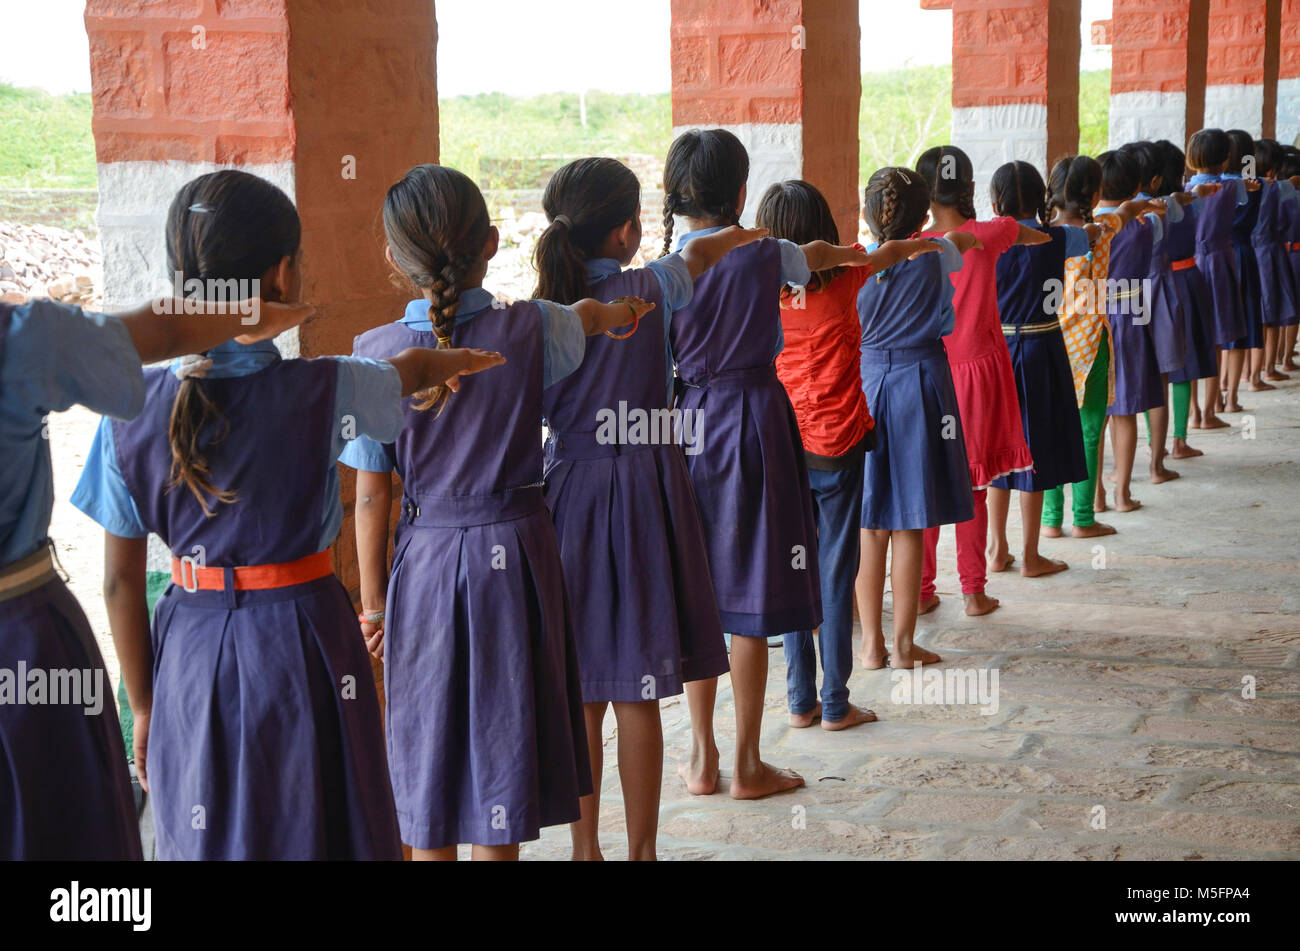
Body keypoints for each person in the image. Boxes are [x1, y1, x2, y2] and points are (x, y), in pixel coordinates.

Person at [71, 169, 504, 860]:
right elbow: (412, 368)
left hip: (190, 649)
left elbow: (120, 583)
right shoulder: (328, 385)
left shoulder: (128, 410)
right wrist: (459, 357)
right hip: (305, 640)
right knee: (320, 819)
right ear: (282, 277)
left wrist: (147, 705)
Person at [344, 164, 656, 859]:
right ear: (490, 242)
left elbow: (372, 494)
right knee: (498, 756)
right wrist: (624, 313)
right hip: (517, 555)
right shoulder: (530, 327)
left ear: (393, 259)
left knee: (427, 758)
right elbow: (591, 318)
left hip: (425, 563)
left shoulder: (372, 356)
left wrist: (372, 605)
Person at [531, 156, 759, 859]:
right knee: (636, 687)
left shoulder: (541, 312)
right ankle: (642, 852)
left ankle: (583, 849)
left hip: (568, 489)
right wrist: (745, 236)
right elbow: (701, 249)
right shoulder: (654, 286)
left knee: (581, 687)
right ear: (629, 231)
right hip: (643, 489)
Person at [660, 129, 880, 798]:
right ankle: (748, 764)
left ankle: (701, 759)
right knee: (752, 599)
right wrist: (861, 248)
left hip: (688, 425)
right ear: (739, 192)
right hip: (754, 420)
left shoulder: (662, 269)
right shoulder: (762, 253)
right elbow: (815, 255)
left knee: (702, 596)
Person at [757, 179, 938, 723]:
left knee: (794, 570)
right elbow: (886, 252)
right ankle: (836, 701)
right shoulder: (850, 278)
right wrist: (923, 244)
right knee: (835, 571)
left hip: (783, 447)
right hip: (840, 444)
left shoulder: (760, 299)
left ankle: (799, 701)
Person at [913, 145, 1050, 617]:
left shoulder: (912, 244)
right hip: (980, 371)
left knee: (927, 485)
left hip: (927, 374)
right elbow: (1033, 236)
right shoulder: (991, 234)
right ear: (970, 189)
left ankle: (923, 590)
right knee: (974, 482)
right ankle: (973, 591)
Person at [854, 166, 981, 669]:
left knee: (870, 521)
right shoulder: (934, 254)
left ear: (866, 216)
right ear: (924, 217)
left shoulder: (854, 265)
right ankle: (904, 646)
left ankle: (869, 647)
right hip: (922, 382)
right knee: (908, 521)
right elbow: (966, 239)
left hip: (865, 384)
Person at [985, 161, 1093, 578]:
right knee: (1036, 454)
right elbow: (1090, 235)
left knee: (1000, 453)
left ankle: (997, 549)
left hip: (998, 350)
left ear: (996, 203)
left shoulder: (985, 244)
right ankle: (1030, 556)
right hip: (1043, 348)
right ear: (1043, 201)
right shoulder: (1058, 237)